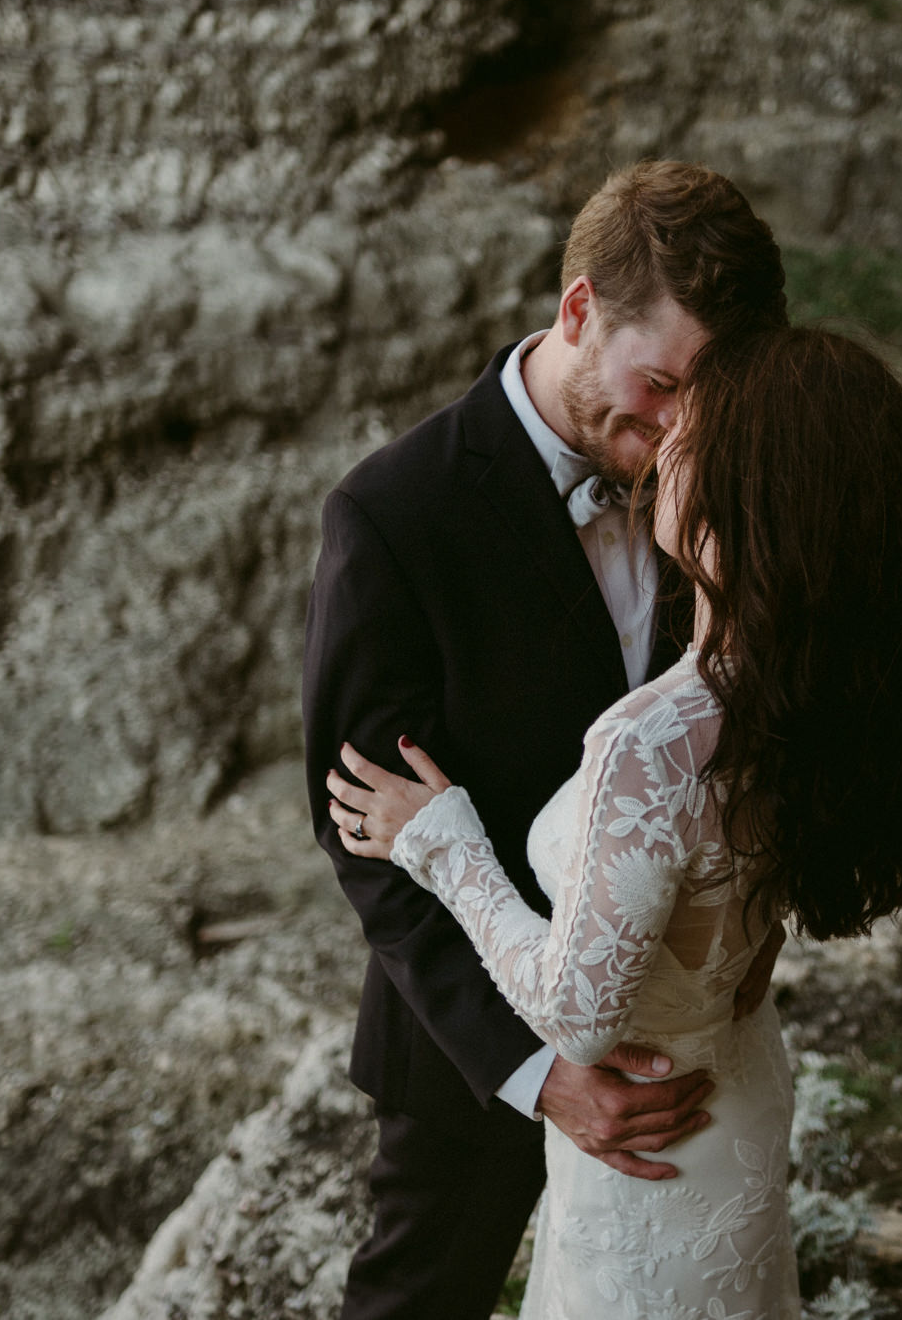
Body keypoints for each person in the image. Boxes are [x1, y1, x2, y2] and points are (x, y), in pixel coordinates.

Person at [327, 325, 902, 1317]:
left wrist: (443, 840)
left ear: (745, 494)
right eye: (667, 393)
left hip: (654, 1135)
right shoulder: (808, 682)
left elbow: (579, 1012)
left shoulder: (656, 736)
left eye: (698, 427)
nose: (669, 436)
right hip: (720, 1082)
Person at [301, 160, 791, 1320]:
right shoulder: (393, 513)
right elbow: (365, 825)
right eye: (661, 381)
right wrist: (534, 1074)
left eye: (706, 396)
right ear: (577, 311)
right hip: (470, 1052)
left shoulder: (714, 482)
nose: (680, 427)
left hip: (677, 1045)